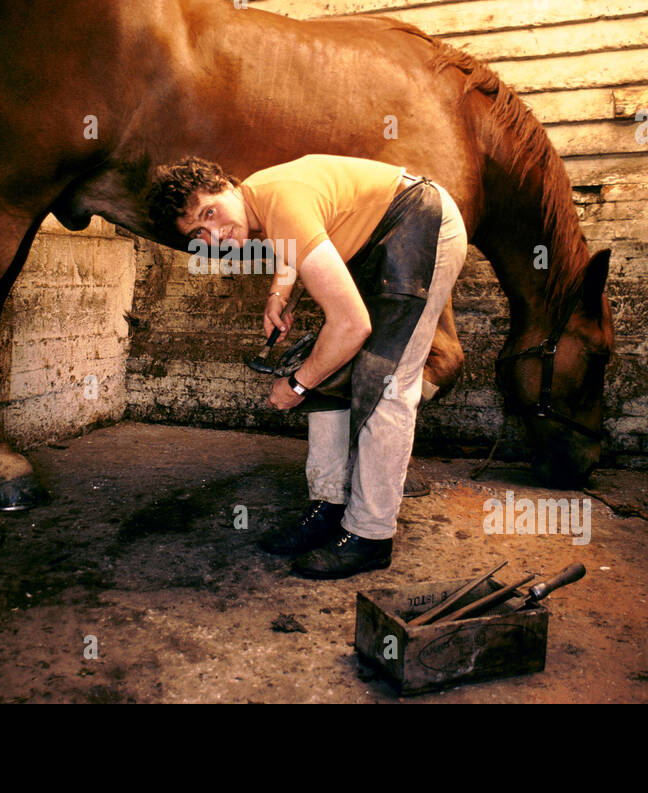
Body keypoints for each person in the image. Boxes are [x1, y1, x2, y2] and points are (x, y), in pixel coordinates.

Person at [148, 154, 467, 579]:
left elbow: (352, 325)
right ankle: (330, 507)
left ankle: (370, 536)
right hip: (382, 237)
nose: (215, 234)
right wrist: (278, 295)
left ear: (227, 184)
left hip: (421, 224)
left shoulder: (280, 199)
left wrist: (296, 385)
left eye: (211, 213)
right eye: (199, 233)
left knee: (385, 383)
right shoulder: (260, 195)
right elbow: (292, 243)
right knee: (330, 377)